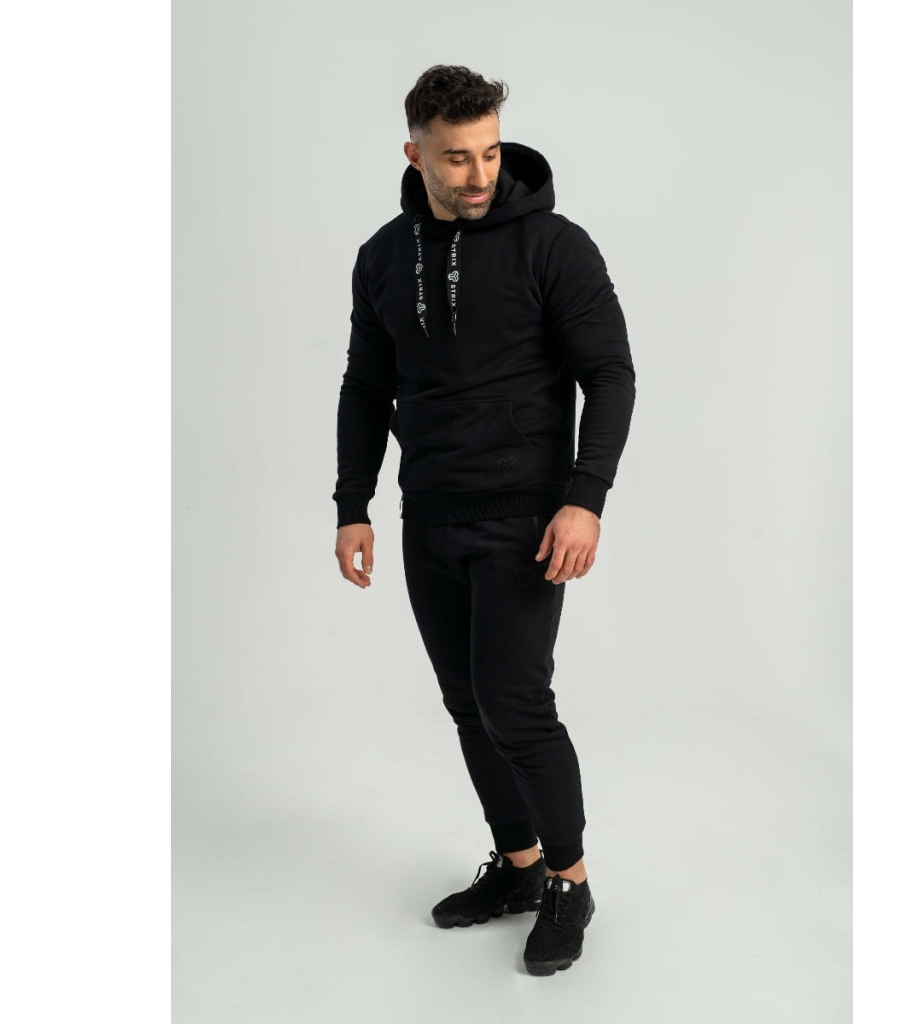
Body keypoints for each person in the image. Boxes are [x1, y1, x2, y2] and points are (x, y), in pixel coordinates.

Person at [332, 64, 636, 976]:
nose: (478, 174)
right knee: (467, 705)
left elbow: (610, 375)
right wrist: (353, 504)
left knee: (515, 705)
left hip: (525, 518)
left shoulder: (555, 246)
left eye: (491, 152)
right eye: (457, 157)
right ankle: (519, 866)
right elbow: (366, 385)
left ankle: (572, 885)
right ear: (415, 153)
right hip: (428, 514)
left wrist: (585, 498)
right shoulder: (384, 257)